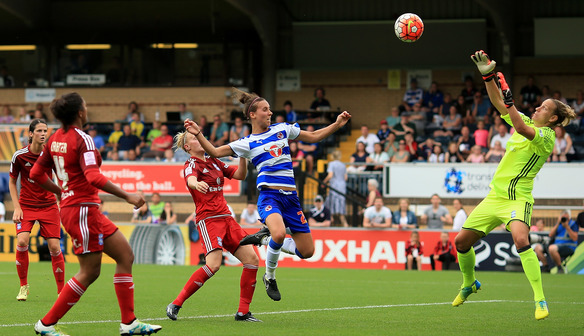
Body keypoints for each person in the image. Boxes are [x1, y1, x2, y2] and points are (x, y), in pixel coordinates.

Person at [184, 88, 350, 302]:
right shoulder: (246, 142)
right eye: (265, 109)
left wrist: (336, 124)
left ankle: (265, 238)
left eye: (270, 109)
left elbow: (315, 136)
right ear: (252, 114)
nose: (270, 112)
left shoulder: (282, 129)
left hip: (291, 199)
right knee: (280, 234)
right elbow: (215, 152)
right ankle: (269, 276)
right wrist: (198, 133)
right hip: (270, 197)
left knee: (307, 252)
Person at [451, 50, 576, 320]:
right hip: (494, 197)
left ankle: (540, 300)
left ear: (553, 119)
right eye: (538, 105)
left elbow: (520, 128)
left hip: (518, 199)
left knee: (521, 240)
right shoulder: (528, 120)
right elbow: (498, 102)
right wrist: (487, 76)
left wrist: (511, 105)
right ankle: (469, 283)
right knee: (460, 243)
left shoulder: (546, 136)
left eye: (543, 107)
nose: (537, 108)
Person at [29, 92, 161, 335]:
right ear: (80, 112)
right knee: (90, 271)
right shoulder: (83, 139)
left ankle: (129, 323)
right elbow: (93, 176)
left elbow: (36, 174)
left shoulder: (54, 138)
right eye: (86, 106)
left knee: (125, 256)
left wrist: (61, 191)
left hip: (82, 209)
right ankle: (45, 325)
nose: (87, 109)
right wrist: (128, 196)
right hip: (81, 211)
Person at [166, 129, 261, 322]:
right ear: (187, 147)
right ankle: (176, 303)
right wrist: (195, 184)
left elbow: (240, 175)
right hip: (209, 219)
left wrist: (242, 156)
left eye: (200, 136)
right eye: (194, 138)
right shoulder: (191, 163)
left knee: (252, 260)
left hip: (226, 217)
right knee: (214, 265)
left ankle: (243, 312)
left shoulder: (215, 161)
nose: (200, 139)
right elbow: (190, 178)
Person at [9, 119, 66, 301]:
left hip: (48, 205)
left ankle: (61, 291)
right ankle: (23, 286)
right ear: (31, 133)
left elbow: (60, 179)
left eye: (45, 130)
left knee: (55, 246)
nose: (43, 134)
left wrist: (61, 198)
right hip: (26, 205)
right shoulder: (19, 156)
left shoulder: (51, 155)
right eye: (40, 130)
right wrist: (16, 207)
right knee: (23, 241)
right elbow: (12, 181)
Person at [322, 149, 348, 227]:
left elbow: (330, 175)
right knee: (340, 202)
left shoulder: (332, 164)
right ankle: (344, 223)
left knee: (332, 201)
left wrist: (324, 182)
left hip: (335, 185)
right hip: (342, 185)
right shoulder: (343, 165)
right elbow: (345, 177)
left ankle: (331, 219)